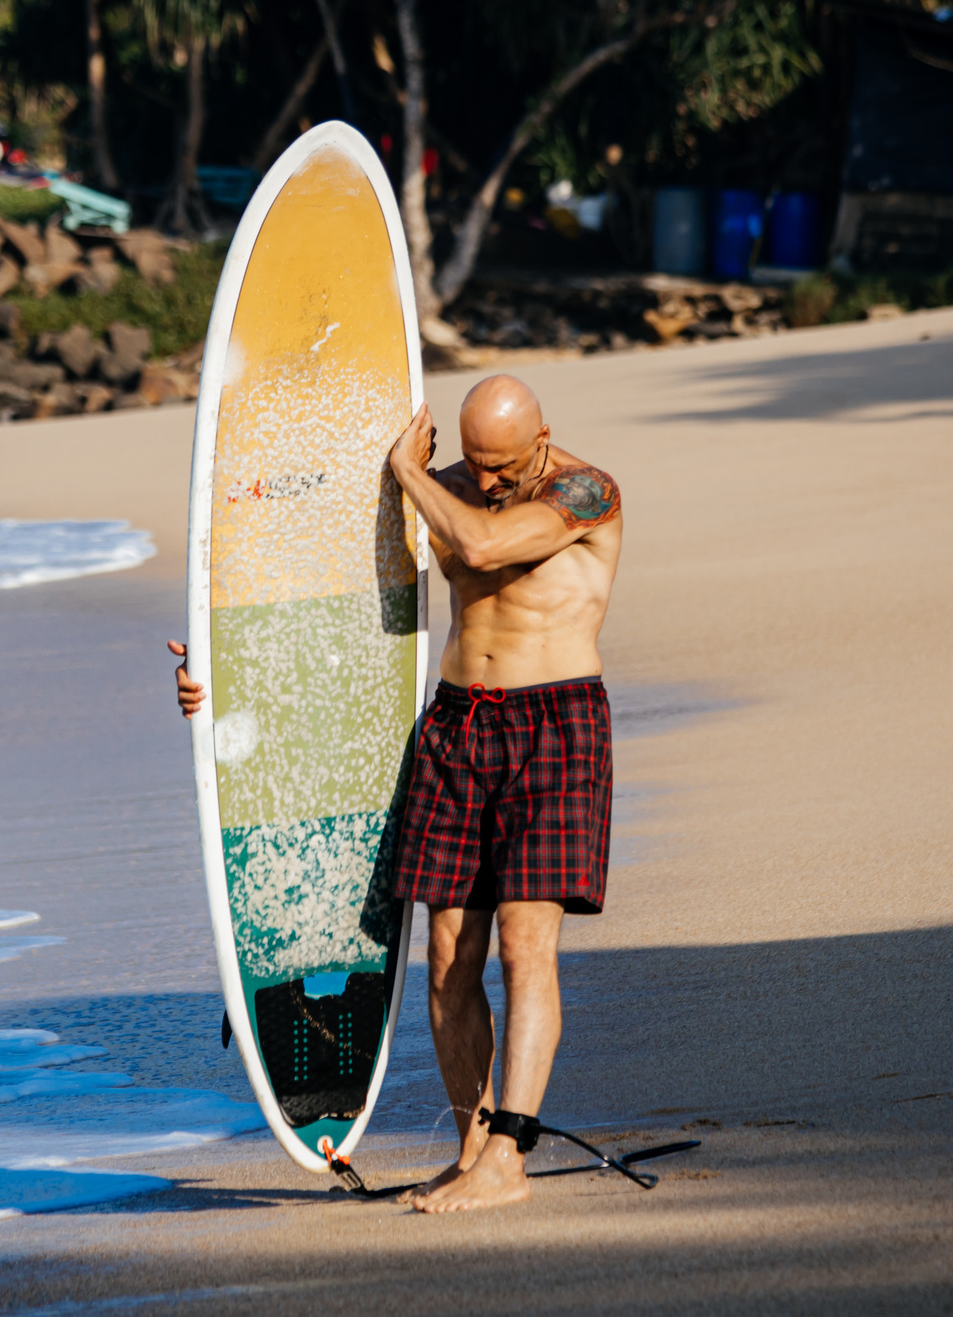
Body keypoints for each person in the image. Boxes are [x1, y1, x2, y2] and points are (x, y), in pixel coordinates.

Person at [170, 372, 622, 1212]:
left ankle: (511, 1155)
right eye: (475, 463)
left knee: (527, 949)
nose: (486, 481)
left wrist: (408, 475)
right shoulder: (443, 490)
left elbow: (486, 547)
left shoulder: (585, 492)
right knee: (448, 958)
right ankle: (472, 1147)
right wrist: (215, 671)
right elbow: (318, 598)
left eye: (504, 466)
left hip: (553, 725)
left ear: (544, 436)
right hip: (457, 727)